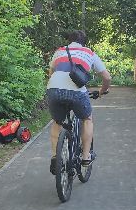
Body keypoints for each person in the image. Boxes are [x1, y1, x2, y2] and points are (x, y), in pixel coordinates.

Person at [46, 30, 111, 174]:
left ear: (69, 40)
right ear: (84, 42)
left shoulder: (59, 51)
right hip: (76, 92)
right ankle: (86, 157)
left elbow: (50, 74)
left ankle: (56, 158)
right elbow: (107, 77)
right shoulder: (89, 53)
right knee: (87, 118)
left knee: (57, 122)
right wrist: (101, 91)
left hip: (53, 89)